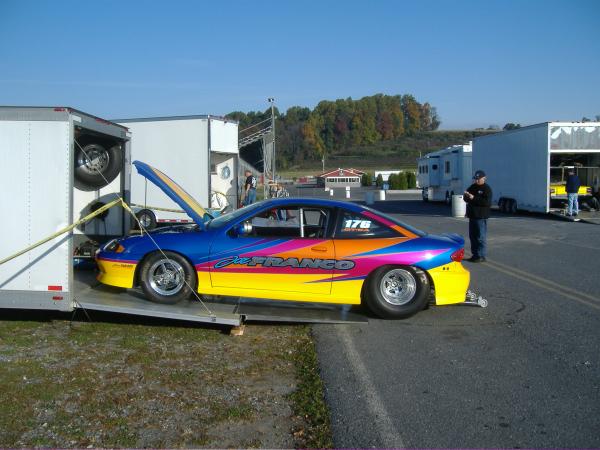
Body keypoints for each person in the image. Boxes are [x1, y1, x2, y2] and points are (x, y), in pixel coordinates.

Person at [463, 170, 492, 263]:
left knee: (480, 237)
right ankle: (475, 254)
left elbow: (486, 202)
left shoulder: (486, 189)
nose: (476, 181)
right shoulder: (473, 187)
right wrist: (467, 196)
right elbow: (465, 198)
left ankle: (481, 255)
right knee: (473, 236)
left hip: (481, 216)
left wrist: (473, 198)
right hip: (472, 216)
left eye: (478, 179)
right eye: (475, 179)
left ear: (484, 178)